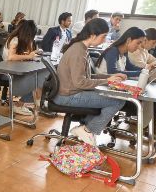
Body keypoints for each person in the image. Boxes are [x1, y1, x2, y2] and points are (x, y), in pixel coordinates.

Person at [53, 18, 126, 146]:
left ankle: (85, 128)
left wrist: (110, 76)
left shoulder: (82, 48)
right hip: (68, 96)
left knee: (111, 97)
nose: (104, 40)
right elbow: (80, 82)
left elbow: (87, 76)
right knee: (117, 100)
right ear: (93, 35)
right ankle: (87, 129)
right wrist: (107, 81)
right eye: (103, 37)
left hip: (70, 92)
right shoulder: (78, 51)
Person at [2, 19, 41, 117]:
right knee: (33, 79)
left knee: (40, 75)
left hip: (16, 69)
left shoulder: (20, 39)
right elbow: (11, 57)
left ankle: (38, 104)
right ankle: (19, 105)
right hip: (7, 71)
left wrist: (30, 52)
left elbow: (24, 54)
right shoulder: (15, 39)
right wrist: (29, 56)